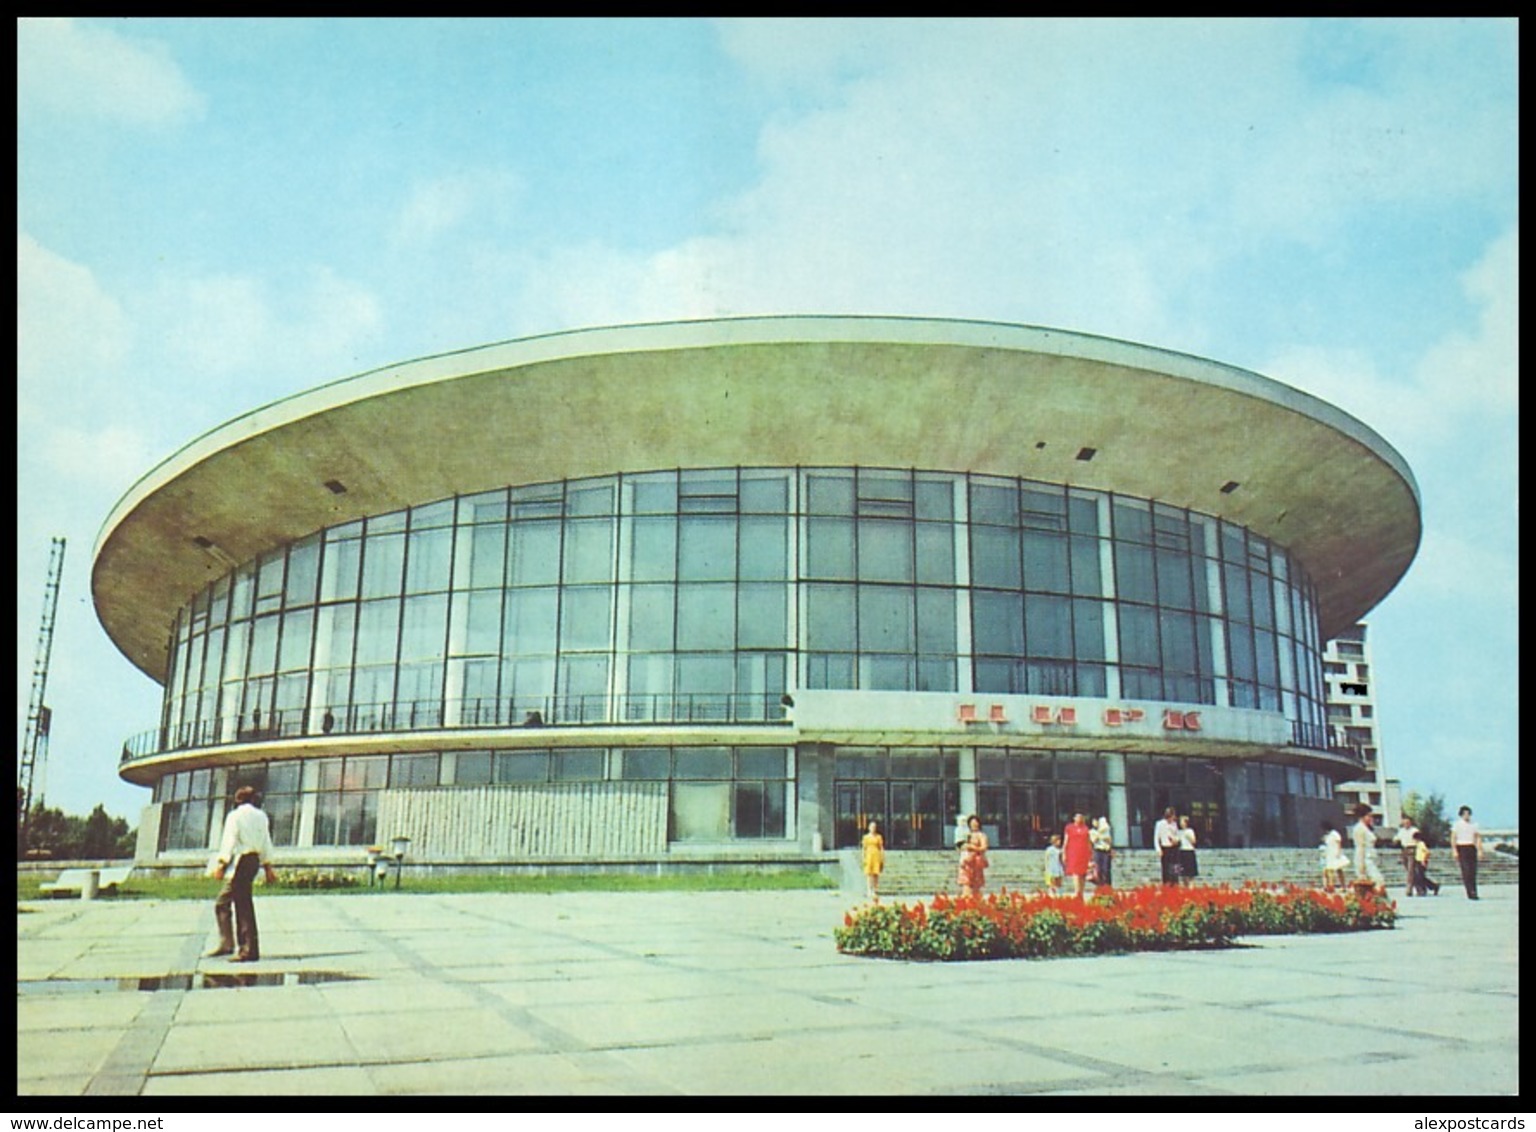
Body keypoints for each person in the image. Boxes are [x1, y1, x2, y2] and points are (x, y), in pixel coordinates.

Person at [207, 785, 278, 962]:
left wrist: (221, 864)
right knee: (240, 902)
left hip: (241, 861)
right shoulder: (261, 816)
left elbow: (229, 841)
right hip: (253, 861)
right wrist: (268, 867)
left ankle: (244, 948)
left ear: (238, 800)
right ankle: (236, 945)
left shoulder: (235, 816)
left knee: (233, 904)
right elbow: (265, 842)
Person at [1450, 805, 1484, 900]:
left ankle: (1474, 891)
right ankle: (1469, 891)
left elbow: (1477, 837)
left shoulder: (1474, 824)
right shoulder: (1457, 825)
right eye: (1464, 814)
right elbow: (1453, 837)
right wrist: (1454, 850)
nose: (1467, 816)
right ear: (1461, 815)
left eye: (1468, 814)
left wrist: (1480, 850)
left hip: (1471, 847)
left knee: (1473, 871)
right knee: (1466, 870)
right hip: (1461, 847)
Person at [1351, 803, 1385, 895]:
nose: (1371, 818)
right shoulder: (1359, 829)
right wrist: (1361, 868)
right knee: (1378, 882)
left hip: (1371, 858)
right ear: (1362, 816)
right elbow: (1360, 847)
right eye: (1369, 816)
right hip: (1365, 860)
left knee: (1377, 884)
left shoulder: (1367, 828)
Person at [1062, 813, 1093, 900]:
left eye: (1081, 817)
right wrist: (1064, 852)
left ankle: (1082, 892)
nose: (1080, 818)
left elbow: (1088, 841)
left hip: (1084, 852)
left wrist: (1091, 853)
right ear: (1074, 818)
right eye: (1078, 817)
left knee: (1083, 873)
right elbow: (1066, 841)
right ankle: (1077, 892)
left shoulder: (1085, 828)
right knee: (1076, 873)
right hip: (1073, 852)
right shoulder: (1069, 828)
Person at [958, 814, 989, 898]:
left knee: (976, 886)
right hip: (966, 862)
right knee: (966, 884)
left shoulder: (981, 835)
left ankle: (975, 904)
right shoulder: (967, 834)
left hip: (976, 862)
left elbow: (984, 847)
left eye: (975, 823)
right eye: (972, 824)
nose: (974, 825)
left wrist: (973, 847)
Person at [1153, 806, 1180, 885]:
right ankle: (1166, 884)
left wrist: (1176, 840)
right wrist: (1158, 849)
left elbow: (1177, 835)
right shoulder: (1160, 824)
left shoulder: (1174, 824)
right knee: (1166, 869)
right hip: (1165, 848)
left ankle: (1176, 883)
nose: (1172, 819)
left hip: (1174, 848)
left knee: (1175, 868)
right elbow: (1156, 838)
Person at [1319, 820, 1349, 892]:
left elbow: (1339, 842)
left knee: (1339, 870)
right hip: (1329, 854)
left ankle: (1343, 886)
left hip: (1335, 853)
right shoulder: (1328, 835)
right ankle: (1331, 886)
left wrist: (1338, 852)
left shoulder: (1334, 833)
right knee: (1330, 871)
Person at [861, 819, 886, 902]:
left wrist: (882, 857)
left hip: (876, 856)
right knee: (869, 874)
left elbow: (881, 847)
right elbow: (864, 848)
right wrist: (863, 857)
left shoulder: (878, 837)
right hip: (869, 855)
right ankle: (869, 890)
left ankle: (875, 890)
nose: (873, 828)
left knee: (875, 874)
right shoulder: (866, 837)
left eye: (874, 827)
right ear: (869, 828)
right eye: (872, 827)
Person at [1394, 815, 1420, 893]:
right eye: (1404, 823)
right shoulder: (1401, 831)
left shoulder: (1414, 830)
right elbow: (1396, 838)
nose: (1406, 824)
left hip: (1412, 850)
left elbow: (1418, 839)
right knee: (1409, 870)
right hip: (1404, 850)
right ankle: (1424, 886)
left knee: (1410, 870)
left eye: (1407, 822)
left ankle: (1409, 889)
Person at [1411, 830, 1440, 897]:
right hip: (1418, 861)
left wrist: (1424, 860)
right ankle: (1432, 887)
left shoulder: (1421, 844)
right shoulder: (1418, 844)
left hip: (1422, 861)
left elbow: (1427, 852)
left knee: (1420, 877)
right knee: (1420, 877)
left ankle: (1432, 886)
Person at [1089, 816, 1114, 890]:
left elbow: (1109, 840)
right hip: (1097, 850)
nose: (1094, 823)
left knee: (1106, 869)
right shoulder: (1092, 831)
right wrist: (1100, 834)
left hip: (1106, 850)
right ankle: (1100, 886)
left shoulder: (1106, 830)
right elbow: (1094, 840)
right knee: (1098, 869)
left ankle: (1108, 886)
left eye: (1096, 821)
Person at [1177, 815, 1199, 885]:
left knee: (1190, 873)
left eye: (1182, 821)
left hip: (1189, 851)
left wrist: (1188, 836)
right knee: (1182, 873)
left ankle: (1191, 887)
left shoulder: (1190, 831)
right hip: (1182, 852)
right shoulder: (1179, 832)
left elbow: (1194, 841)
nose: (1180, 823)